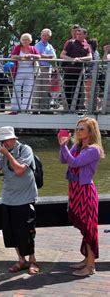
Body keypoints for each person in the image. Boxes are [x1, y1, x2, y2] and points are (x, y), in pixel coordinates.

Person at [0, 126, 39, 275]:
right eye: (1, 141)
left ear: (13, 139)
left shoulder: (25, 150)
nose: (4, 143)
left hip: (25, 198)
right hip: (8, 198)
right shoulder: (3, 153)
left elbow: (19, 170)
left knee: (27, 232)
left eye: (6, 140)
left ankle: (32, 260)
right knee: (12, 233)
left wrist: (7, 154)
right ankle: (21, 259)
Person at [58, 117, 105, 277]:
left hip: (85, 192)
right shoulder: (77, 146)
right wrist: (63, 145)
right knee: (85, 229)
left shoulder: (94, 150)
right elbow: (63, 159)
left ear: (91, 132)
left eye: (81, 129)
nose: (78, 131)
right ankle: (86, 259)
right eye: (77, 128)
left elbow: (75, 163)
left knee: (90, 229)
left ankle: (91, 266)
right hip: (75, 191)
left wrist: (64, 145)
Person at [60, 28, 92, 111]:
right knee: (68, 89)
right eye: (77, 34)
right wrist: (72, 59)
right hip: (69, 71)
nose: (78, 36)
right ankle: (68, 108)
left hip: (80, 72)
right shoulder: (71, 43)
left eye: (80, 34)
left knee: (78, 91)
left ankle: (76, 108)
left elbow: (90, 57)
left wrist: (80, 59)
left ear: (85, 35)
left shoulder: (86, 45)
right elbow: (62, 55)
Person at [10, 33, 41, 114]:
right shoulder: (18, 47)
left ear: (30, 41)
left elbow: (39, 56)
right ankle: (15, 108)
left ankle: (25, 108)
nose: (25, 41)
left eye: (26, 39)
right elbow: (12, 56)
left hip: (30, 71)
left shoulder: (32, 48)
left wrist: (31, 55)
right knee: (16, 88)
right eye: (23, 39)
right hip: (19, 70)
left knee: (28, 90)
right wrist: (20, 57)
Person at [34, 28, 57, 113]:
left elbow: (54, 58)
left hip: (48, 69)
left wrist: (44, 56)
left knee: (45, 90)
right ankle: (35, 108)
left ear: (49, 37)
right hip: (39, 68)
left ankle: (43, 108)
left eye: (46, 35)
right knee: (37, 89)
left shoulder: (49, 46)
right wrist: (48, 56)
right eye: (43, 35)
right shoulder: (37, 45)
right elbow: (37, 55)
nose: (44, 37)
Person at [84, 39, 100, 109]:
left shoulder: (92, 53)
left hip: (90, 73)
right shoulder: (96, 52)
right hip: (93, 73)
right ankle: (93, 104)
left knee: (88, 90)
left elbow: (89, 63)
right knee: (90, 90)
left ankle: (94, 104)